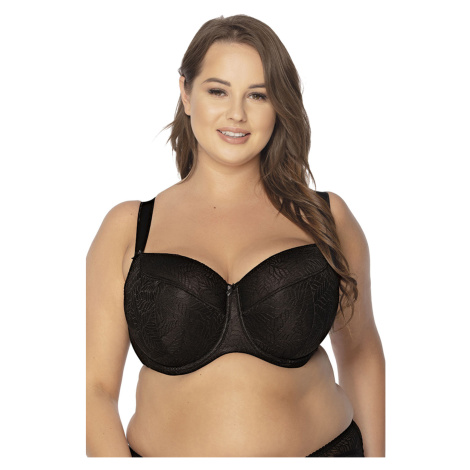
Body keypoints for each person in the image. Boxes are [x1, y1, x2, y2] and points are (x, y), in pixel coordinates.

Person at [86, 14, 385, 457]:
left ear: (279, 104)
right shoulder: (129, 228)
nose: (237, 114)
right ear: (186, 93)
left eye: (258, 95)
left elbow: (361, 355)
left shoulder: (326, 217)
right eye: (218, 91)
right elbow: (93, 390)